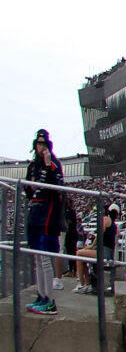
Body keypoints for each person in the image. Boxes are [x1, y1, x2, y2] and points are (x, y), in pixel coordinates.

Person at [20, 130, 66, 315]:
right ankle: (41, 295)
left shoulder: (54, 163)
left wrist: (48, 166)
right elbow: (29, 191)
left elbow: (59, 187)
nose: (41, 147)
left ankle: (49, 300)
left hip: (48, 214)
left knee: (45, 257)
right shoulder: (32, 166)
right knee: (37, 258)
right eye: (38, 144)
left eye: (44, 144)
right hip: (35, 212)